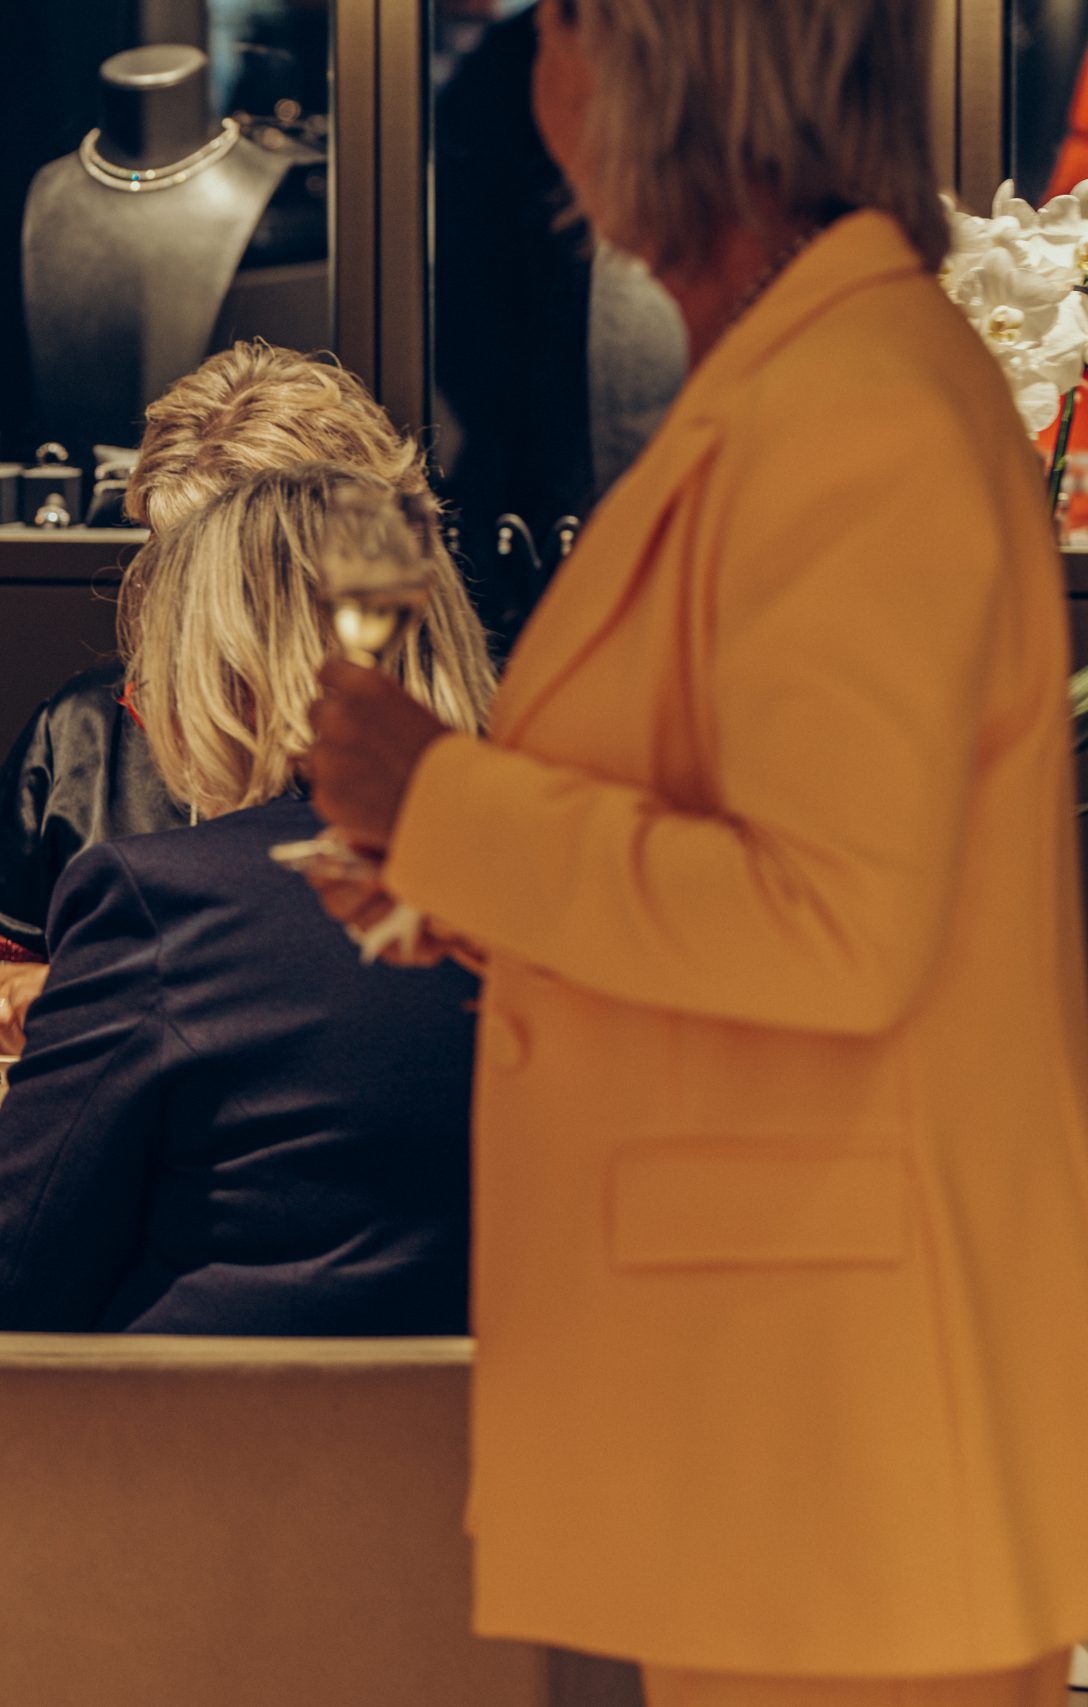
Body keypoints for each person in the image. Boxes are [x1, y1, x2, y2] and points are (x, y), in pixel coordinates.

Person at [301, 2, 1088, 1701]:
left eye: (568, 20)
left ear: (680, 66)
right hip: (791, 1434)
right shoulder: (802, 383)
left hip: (840, 1449)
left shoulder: (858, 404)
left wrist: (447, 806)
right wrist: (475, 893)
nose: (533, 64)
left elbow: (836, 922)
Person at [0, 462, 497, 1336]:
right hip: (518, 1418)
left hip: (202, 1415)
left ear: (226, 665)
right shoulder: (561, 881)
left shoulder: (159, 900)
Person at [0, 341, 429, 1056]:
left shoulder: (450, 750)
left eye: (231, 576)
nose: (189, 606)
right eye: (166, 556)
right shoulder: (84, 733)